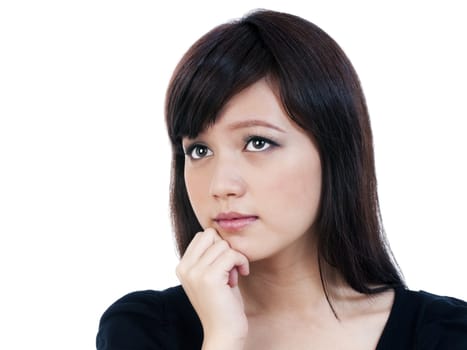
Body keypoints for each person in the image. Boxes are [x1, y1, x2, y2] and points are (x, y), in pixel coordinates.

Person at [96, 9, 467, 349]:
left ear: (335, 153)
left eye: (258, 142)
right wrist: (222, 337)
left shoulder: (446, 333)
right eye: (199, 151)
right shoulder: (143, 329)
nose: (220, 185)